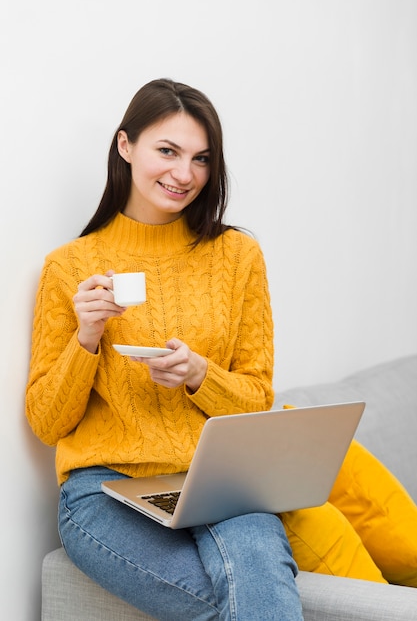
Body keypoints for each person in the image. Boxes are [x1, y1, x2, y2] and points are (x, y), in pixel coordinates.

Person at [25, 78, 305, 621]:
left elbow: (256, 401)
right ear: (125, 146)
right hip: (107, 491)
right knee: (250, 605)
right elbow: (45, 423)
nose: (184, 174)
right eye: (168, 151)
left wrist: (202, 375)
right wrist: (86, 339)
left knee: (257, 581)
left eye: (202, 158)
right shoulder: (70, 267)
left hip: (219, 480)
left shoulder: (237, 256)